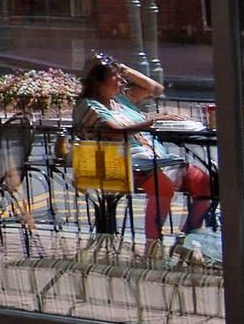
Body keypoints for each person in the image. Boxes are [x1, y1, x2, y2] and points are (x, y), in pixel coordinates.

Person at [71, 53, 214, 245]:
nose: (121, 80)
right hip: (121, 163)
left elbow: (155, 88)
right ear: (98, 82)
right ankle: (152, 245)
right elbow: (115, 132)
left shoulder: (120, 99)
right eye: (115, 76)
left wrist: (124, 69)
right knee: (161, 185)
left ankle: (188, 241)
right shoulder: (88, 106)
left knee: (202, 181)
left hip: (154, 157)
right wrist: (152, 120)